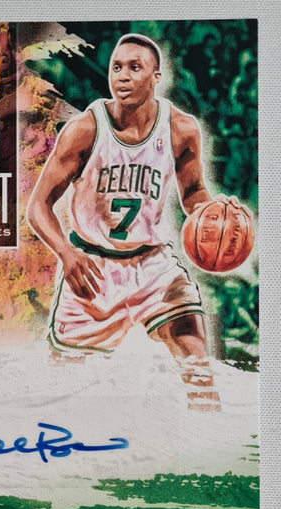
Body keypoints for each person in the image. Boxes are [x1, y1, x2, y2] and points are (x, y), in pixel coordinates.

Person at [27, 34, 236, 409]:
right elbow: (38, 206)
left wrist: (212, 213)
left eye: (134, 67)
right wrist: (66, 255)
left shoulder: (181, 129)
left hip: (151, 262)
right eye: (116, 67)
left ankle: (210, 424)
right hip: (92, 267)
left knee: (193, 351)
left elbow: (193, 191)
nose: (122, 76)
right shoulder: (84, 130)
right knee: (63, 393)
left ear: (156, 77)